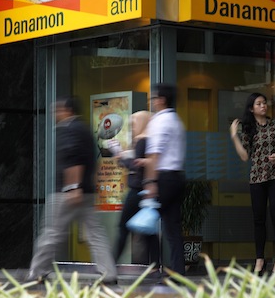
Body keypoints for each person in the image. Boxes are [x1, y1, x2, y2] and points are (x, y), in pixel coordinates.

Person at [26, 97, 118, 285]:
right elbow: (90, 161)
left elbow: (72, 157)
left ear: (67, 110)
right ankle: (109, 273)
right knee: (96, 233)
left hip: (67, 193)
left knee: (51, 233)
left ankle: (37, 272)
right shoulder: (84, 129)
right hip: (86, 193)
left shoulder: (69, 129)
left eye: (57, 110)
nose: (54, 114)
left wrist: (72, 187)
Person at [230, 92, 275, 275]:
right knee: (258, 220)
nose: (263, 106)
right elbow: (244, 157)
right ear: (252, 108)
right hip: (257, 177)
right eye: (259, 104)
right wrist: (234, 136)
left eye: (264, 103)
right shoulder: (249, 129)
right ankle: (260, 260)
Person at [143, 85, 186, 277]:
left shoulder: (159, 121)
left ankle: (154, 267)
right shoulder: (176, 121)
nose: (151, 102)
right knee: (172, 229)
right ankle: (178, 272)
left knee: (142, 221)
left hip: (163, 178)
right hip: (177, 177)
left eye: (152, 98)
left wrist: (151, 182)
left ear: (161, 100)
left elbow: (154, 154)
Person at [113, 110, 160, 266]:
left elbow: (137, 166)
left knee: (122, 228)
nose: (132, 127)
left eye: (134, 123)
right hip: (146, 192)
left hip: (136, 191)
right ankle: (155, 264)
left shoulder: (142, 140)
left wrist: (122, 159)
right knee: (149, 231)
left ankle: (112, 264)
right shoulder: (151, 140)